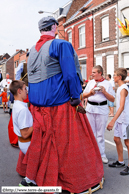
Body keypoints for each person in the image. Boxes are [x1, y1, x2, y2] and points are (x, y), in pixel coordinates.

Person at [17, 16, 104, 192]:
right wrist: (75, 97)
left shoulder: (31, 51)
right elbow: (71, 74)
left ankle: (33, 174)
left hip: (37, 106)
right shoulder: (61, 45)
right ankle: (71, 178)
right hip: (59, 106)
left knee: (39, 143)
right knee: (68, 146)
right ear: (55, 27)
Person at [83, 65, 115, 164]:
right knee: (90, 133)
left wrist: (104, 92)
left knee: (100, 134)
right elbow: (83, 95)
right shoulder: (90, 83)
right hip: (90, 109)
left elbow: (112, 99)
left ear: (100, 73)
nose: (92, 74)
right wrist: (90, 93)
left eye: (94, 72)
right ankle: (91, 153)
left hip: (102, 109)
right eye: (92, 72)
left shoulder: (107, 84)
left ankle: (102, 154)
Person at [9, 80, 36, 185]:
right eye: (25, 89)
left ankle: (30, 179)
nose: (27, 92)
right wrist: (37, 125)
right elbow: (25, 133)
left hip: (23, 143)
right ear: (19, 91)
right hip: (27, 142)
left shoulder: (17, 105)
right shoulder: (22, 109)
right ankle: (30, 181)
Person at [107, 68, 129, 175]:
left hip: (125, 120)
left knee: (128, 143)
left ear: (119, 77)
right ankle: (120, 162)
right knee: (116, 139)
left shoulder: (124, 89)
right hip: (120, 119)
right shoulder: (120, 88)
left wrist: (112, 121)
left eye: (114, 75)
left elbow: (121, 107)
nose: (113, 76)